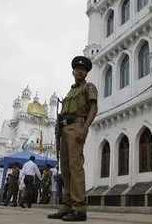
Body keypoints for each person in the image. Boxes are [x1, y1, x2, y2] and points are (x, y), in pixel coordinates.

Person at [48, 56, 98, 221]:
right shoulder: (70, 92)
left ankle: (79, 207)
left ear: (86, 72)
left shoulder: (88, 87)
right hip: (64, 129)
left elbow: (93, 108)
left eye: (83, 70)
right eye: (77, 69)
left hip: (77, 127)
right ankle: (66, 205)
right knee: (66, 169)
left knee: (75, 167)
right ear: (73, 71)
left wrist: (85, 128)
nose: (80, 72)